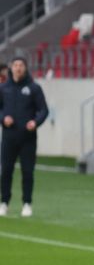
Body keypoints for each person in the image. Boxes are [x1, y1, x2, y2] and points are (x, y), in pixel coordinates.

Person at [0, 58, 48, 218]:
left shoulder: (34, 88)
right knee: (6, 171)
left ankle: (27, 203)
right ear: (11, 68)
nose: (18, 68)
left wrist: (35, 122)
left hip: (28, 138)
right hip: (9, 137)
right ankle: (4, 202)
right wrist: (3, 118)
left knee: (28, 172)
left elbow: (43, 110)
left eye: (21, 65)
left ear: (26, 68)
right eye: (15, 65)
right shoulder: (4, 88)